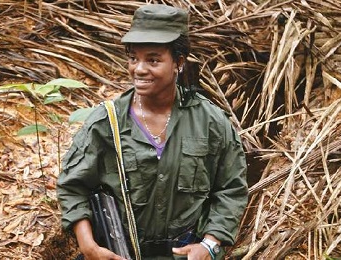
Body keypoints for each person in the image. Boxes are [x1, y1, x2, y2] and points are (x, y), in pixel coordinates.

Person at [57, 4, 248, 260]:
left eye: (153, 59)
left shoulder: (210, 121)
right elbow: (73, 187)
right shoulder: (107, 122)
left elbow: (231, 188)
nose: (139, 69)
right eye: (134, 58)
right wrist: (89, 246)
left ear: (178, 62)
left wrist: (210, 245)